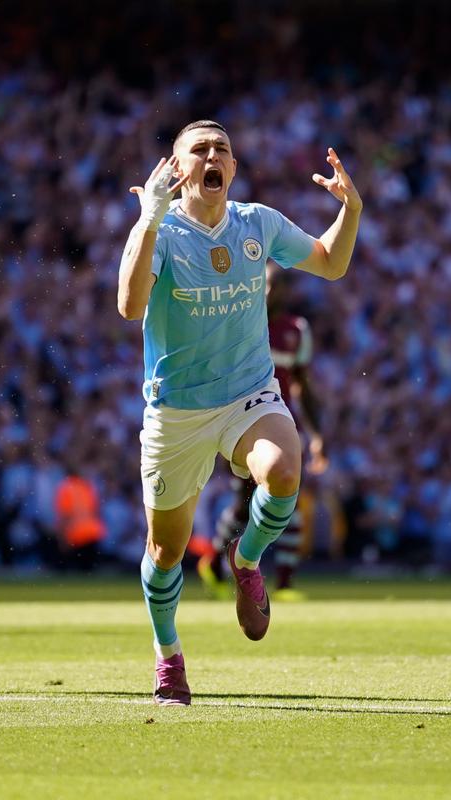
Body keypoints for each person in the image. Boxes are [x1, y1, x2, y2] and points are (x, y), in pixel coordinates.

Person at [118, 120, 361, 704]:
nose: (212, 156)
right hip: (177, 410)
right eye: (199, 149)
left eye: (221, 149)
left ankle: (245, 560)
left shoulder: (258, 223)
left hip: (247, 394)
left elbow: (331, 262)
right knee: (165, 552)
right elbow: (129, 305)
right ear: (178, 169)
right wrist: (147, 219)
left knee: (283, 471)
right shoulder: (160, 229)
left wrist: (351, 208)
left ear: (232, 167)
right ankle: (169, 657)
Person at [200, 263, 327, 601]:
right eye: (264, 284)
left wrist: (317, 434)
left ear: (286, 291)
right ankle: (216, 563)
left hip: (284, 425)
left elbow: (303, 386)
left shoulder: (297, 330)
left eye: (275, 286)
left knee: (289, 498)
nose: (269, 291)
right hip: (244, 426)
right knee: (244, 505)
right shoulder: (243, 323)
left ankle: (284, 583)